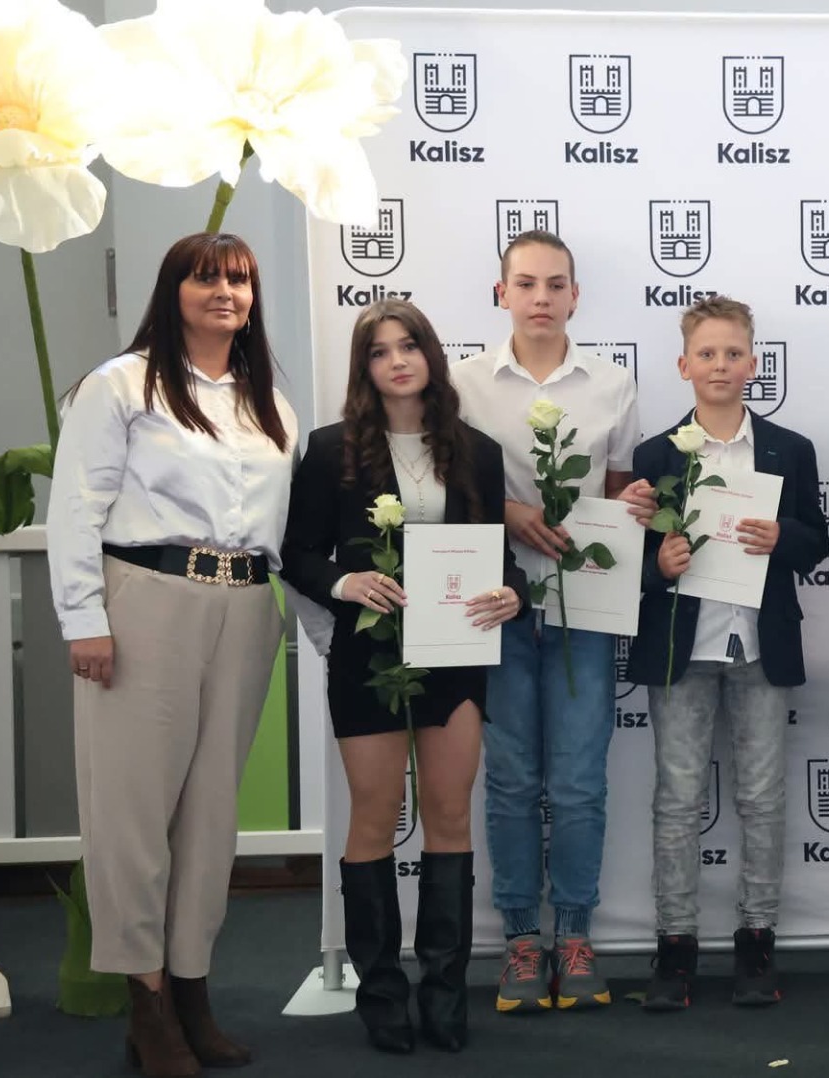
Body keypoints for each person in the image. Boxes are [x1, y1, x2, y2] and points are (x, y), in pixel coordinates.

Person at [47, 233, 297, 1076]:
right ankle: (146, 1005)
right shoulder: (123, 383)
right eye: (205, 277)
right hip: (146, 601)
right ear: (173, 290)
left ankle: (192, 991)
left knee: (211, 817)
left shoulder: (271, 405)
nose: (224, 291)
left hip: (245, 607)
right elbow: (76, 508)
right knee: (132, 815)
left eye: (239, 280)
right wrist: (84, 619)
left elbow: (285, 529)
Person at [281, 300, 527, 1053]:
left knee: (450, 815)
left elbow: (499, 557)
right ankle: (382, 993)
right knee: (374, 816)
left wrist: (512, 592)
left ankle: (445, 993)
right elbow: (296, 554)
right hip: (368, 658)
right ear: (365, 368)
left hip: (456, 654)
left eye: (409, 346)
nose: (397, 360)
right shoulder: (329, 450)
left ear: (430, 356)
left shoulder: (477, 451)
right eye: (380, 350)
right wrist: (345, 582)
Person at [451, 230, 641, 1013]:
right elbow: (449, 490)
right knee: (510, 780)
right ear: (501, 293)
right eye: (525, 283)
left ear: (575, 296)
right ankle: (521, 940)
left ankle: (576, 935)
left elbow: (621, 491)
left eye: (555, 284)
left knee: (578, 782)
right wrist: (509, 512)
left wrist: (635, 505)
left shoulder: (612, 384)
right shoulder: (463, 384)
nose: (540, 297)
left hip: (583, 607)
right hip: (492, 605)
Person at [626, 296, 828, 1010]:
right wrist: (660, 566)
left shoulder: (788, 450)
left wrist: (783, 538)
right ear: (683, 365)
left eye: (733, 353)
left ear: (753, 363)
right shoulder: (654, 456)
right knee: (677, 800)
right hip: (682, 648)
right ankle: (675, 945)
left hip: (759, 645)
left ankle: (756, 941)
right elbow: (629, 561)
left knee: (762, 799)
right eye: (707, 354)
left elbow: (817, 541)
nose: (720, 365)